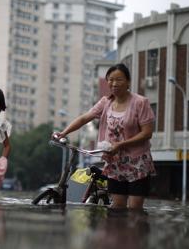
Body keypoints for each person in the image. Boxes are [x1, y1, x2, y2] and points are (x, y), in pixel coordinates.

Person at [52, 63, 155, 209]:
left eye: (118, 79)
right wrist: (63, 133)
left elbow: (147, 133)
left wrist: (120, 145)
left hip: (137, 163)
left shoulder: (140, 102)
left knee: (134, 210)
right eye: (110, 79)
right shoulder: (106, 102)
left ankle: (135, 232)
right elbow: (84, 118)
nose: (114, 83)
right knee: (117, 206)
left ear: (128, 81)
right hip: (115, 163)